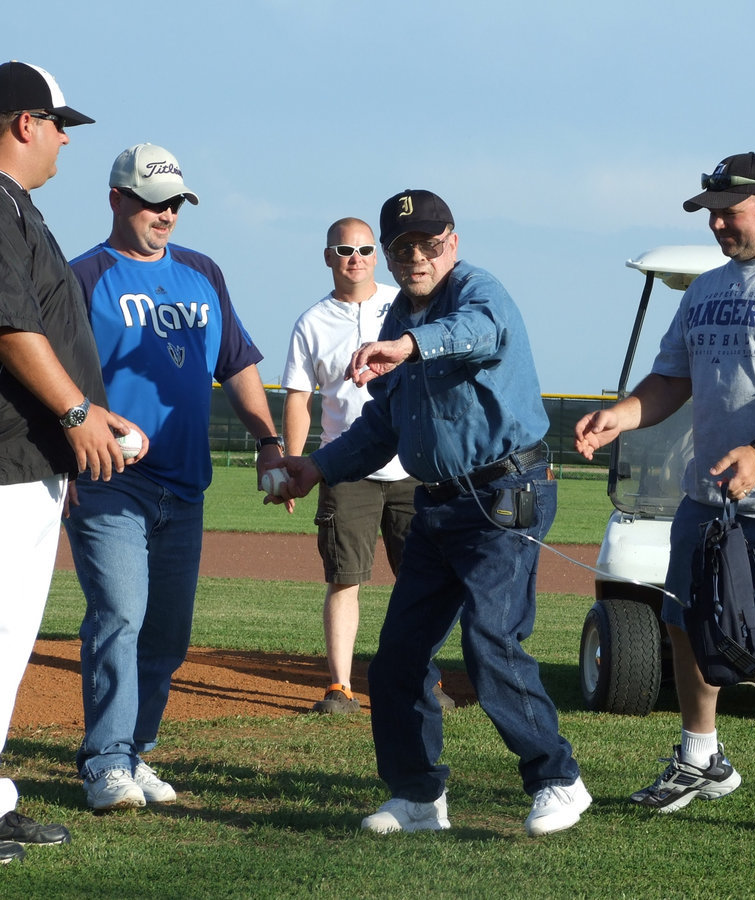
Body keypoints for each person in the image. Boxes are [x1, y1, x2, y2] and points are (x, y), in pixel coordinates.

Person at [267, 189, 589, 837]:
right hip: (438, 501)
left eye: (430, 243)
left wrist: (409, 346)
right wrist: (317, 466)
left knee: (490, 638)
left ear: (453, 243)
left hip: (505, 495)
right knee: (398, 659)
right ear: (389, 254)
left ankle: (558, 779)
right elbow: (382, 424)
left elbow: (475, 333)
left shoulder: (478, 290)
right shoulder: (397, 322)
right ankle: (418, 797)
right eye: (404, 247)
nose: (418, 256)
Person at [574, 152, 755, 837]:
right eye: (711, 214)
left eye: (728, 212)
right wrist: (620, 415)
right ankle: (702, 757)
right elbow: (671, 379)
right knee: (685, 623)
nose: (718, 225)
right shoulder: (703, 290)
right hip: (709, 498)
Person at [65, 143, 283, 812]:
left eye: (175, 204)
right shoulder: (83, 277)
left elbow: (237, 364)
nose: (166, 215)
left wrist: (271, 441)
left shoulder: (202, 273)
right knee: (120, 614)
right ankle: (104, 763)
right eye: (153, 202)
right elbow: (57, 380)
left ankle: (134, 753)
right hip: (111, 482)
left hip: (185, 485)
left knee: (166, 635)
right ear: (115, 199)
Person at [0, 59, 135, 864]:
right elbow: (11, 328)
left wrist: (94, 410)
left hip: (27, 460)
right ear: (22, 123)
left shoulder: (18, 209)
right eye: (57, 124)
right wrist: (77, 411)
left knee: (12, 643)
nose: (62, 140)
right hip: (8, 462)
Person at [281, 217, 429, 714]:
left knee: (422, 581)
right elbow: (299, 399)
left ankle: (423, 681)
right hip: (345, 469)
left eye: (366, 248)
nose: (356, 258)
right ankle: (341, 687)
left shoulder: (404, 305)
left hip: (411, 464)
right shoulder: (312, 322)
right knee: (346, 577)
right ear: (328, 257)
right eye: (344, 249)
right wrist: (296, 463)